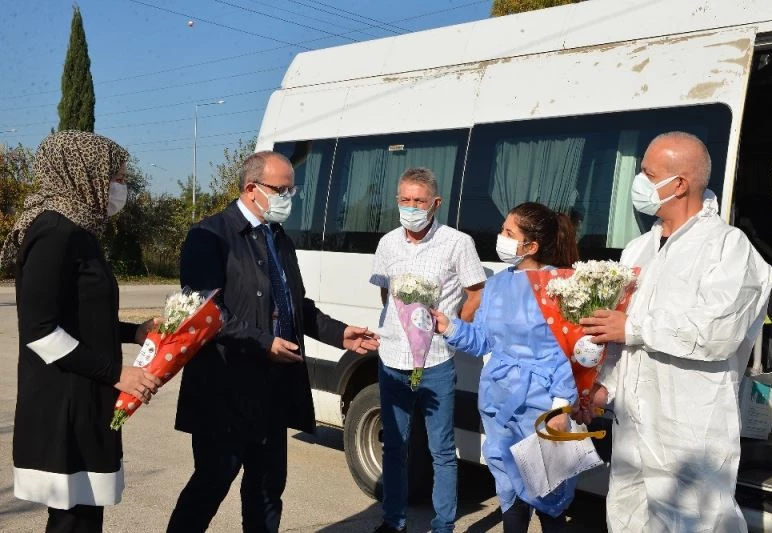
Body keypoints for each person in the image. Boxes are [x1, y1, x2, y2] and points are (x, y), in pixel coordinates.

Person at [167, 151, 379, 533]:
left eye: (292, 189)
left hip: (273, 390)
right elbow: (205, 313)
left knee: (267, 492)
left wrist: (340, 333)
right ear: (252, 188)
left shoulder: (277, 237)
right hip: (226, 390)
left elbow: (295, 305)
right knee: (209, 487)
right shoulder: (210, 236)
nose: (289, 197)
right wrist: (264, 343)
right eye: (282, 189)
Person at [575, 132, 772, 532]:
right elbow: (619, 339)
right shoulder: (637, 249)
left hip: (689, 424)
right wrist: (603, 388)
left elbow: (719, 332)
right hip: (632, 420)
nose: (639, 182)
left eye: (648, 174)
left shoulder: (727, 248)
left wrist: (634, 328)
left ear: (679, 184)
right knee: (627, 514)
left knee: (697, 519)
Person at [1, 130, 162, 533]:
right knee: (73, 520)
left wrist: (135, 332)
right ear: (83, 174)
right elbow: (40, 332)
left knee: (83, 517)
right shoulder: (54, 231)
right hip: (63, 402)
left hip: (86, 394)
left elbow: (82, 317)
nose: (120, 187)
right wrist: (118, 373)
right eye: (115, 177)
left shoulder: (81, 232)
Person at [431, 202, 580, 533]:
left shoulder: (559, 286)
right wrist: (448, 326)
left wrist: (561, 406)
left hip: (542, 405)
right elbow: (482, 340)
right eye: (502, 229)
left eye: (508, 232)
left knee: (550, 497)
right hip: (499, 404)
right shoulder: (497, 284)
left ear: (531, 245)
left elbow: (567, 350)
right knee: (510, 491)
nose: (500, 236)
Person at [369, 167, 486, 533]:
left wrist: (453, 327)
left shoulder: (457, 243)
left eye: (419, 201)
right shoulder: (388, 243)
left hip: (436, 362)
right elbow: (386, 293)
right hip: (392, 361)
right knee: (394, 447)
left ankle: (443, 525)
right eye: (404, 199)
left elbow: (476, 292)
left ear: (436, 203)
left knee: (442, 450)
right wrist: (402, 327)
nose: (411, 207)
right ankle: (394, 521)